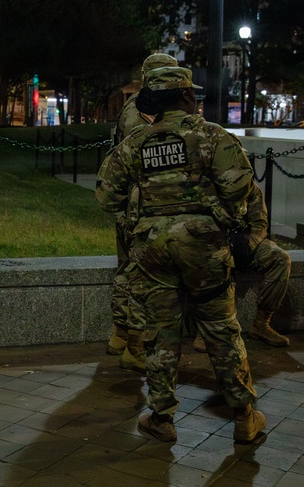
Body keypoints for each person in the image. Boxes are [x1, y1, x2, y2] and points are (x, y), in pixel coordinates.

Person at [96, 65, 266, 444]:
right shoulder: (212, 136)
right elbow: (240, 187)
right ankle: (243, 416)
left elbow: (107, 197)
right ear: (187, 97)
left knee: (160, 331)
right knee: (221, 328)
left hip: (152, 249)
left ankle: (161, 418)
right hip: (204, 247)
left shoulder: (134, 143)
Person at [108, 53, 179, 373]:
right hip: (139, 205)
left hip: (132, 202)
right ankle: (127, 337)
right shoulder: (143, 111)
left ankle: (122, 335)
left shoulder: (137, 105)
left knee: (128, 267)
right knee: (134, 272)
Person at [192, 180, 292, 351]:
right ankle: (206, 331)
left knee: (280, 259)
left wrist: (247, 246)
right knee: (211, 261)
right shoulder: (204, 185)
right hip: (213, 242)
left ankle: (261, 325)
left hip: (244, 241)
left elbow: (260, 223)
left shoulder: (249, 188)